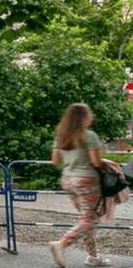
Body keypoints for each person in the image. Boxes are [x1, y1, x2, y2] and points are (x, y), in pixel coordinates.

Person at [48, 103, 110, 267]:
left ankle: (93, 257)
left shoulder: (61, 136)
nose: (92, 117)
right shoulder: (89, 135)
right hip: (86, 181)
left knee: (85, 218)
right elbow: (96, 162)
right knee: (90, 220)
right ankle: (61, 244)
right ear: (83, 117)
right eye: (90, 114)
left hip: (68, 180)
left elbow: (55, 161)